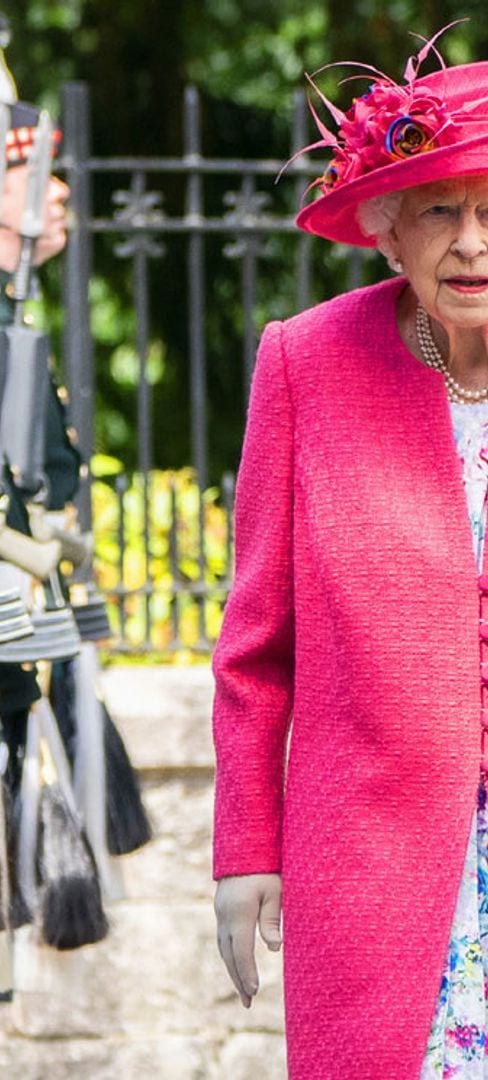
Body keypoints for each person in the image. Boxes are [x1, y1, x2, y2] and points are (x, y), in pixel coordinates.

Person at [211, 43, 488, 1080]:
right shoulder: (310, 361)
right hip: (373, 863)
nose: (471, 245)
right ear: (390, 229)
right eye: (439, 210)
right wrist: (246, 849)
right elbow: (254, 648)